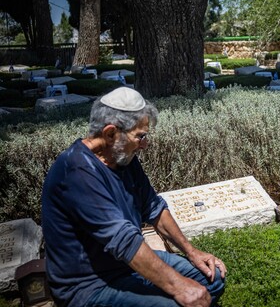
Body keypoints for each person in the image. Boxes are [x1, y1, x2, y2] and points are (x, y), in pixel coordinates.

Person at [41, 87, 226, 307]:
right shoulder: (75, 173)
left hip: (124, 265)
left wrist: (192, 252)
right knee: (178, 303)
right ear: (110, 133)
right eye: (140, 136)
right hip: (89, 285)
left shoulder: (121, 158)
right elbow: (124, 241)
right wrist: (180, 287)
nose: (145, 145)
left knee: (211, 280)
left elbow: (153, 207)